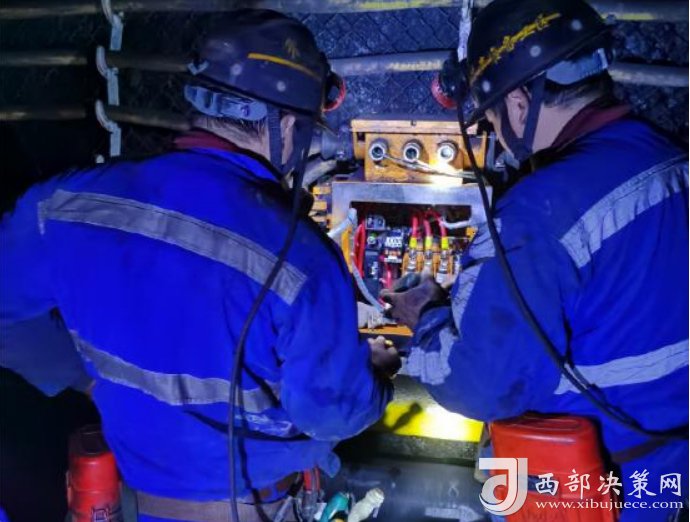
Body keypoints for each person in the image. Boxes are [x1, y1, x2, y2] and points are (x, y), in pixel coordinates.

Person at [0, 10, 397, 522]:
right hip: (254, 508)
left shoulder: (64, 206)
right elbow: (331, 414)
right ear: (288, 128)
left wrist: (84, 378)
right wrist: (374, 375)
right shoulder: (302, 261)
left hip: (140, 504)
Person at [384, 1, 688, 520]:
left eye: (493, 117)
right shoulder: (672, 160)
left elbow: (479, 385)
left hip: (591, 491)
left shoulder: (535, 214)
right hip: (668, 472)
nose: (499, 137)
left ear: (520, 104)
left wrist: (427, 317)